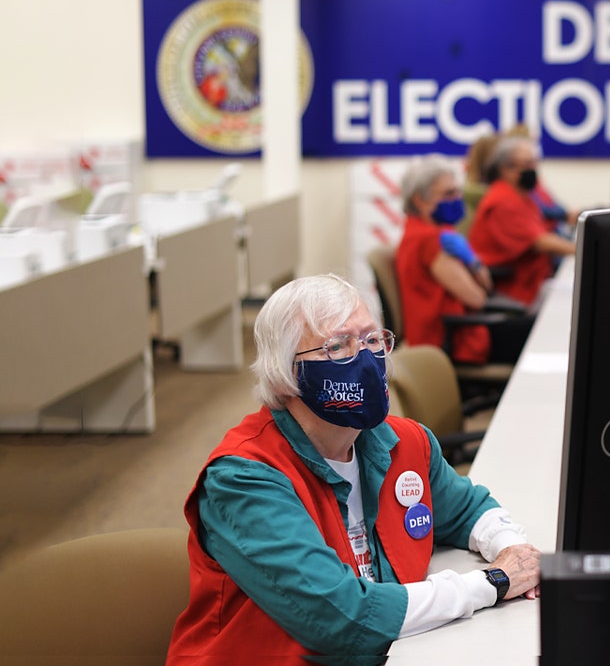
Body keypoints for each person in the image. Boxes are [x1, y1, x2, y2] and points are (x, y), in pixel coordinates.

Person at [167, 274, 541, 663]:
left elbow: (468, 510)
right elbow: (341, 617)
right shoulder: (244, 479)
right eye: (337, 347)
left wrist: (512, 548)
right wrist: (492, 582)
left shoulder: (402, 441)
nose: (364, 360)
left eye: (372, 340)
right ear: (283, 377)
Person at [395, 156, 497, 365]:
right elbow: (478, 298)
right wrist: (472, 263)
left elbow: (486, 287)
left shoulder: (437, 231)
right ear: (420, 200)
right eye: (449, 194)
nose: (458, 198)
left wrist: (471, 258)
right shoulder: (429, 239)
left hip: (448, 338)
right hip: (448, 344)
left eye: (457, 191)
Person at [468, 136, 576, 306]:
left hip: (534, 283)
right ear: (505, 170)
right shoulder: (502, 201)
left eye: (534, 163)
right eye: (526, 165)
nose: (533, 170)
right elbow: (540, 242)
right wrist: (582, 250)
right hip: (515, 291)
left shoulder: (523, 195)